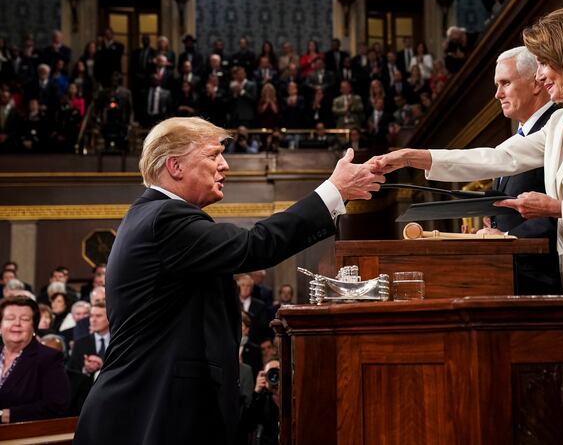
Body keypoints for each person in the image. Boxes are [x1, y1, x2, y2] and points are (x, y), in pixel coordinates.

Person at [73, 116, 384, 445]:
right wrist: (333, 191)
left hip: (154, 407)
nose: (225, 166)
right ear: (175, 166)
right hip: (153, 412)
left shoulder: (154, 216)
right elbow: (254, 246)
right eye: (213, 155)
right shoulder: (165, 218)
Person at [369, 8, 563, 296]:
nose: (539, 76)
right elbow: (500, 158)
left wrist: (559, 209)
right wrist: (411, 156)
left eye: (544, 63)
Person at [478, 46, 560, 295]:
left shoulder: (558, 127)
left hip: (545, 278)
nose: (497, 94)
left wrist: (505, 236)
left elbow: (560, 208)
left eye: (505, 83)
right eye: (497, 85)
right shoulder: (515, 139)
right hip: (513, 273)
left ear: (536, 83)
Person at [0, 296, 70, 422]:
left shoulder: (49, 358)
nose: (17, 323)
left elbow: (56, 406)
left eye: (25, 319)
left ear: (33, 327)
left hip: (23, 431)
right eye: (10, 318)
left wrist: (6, 415)